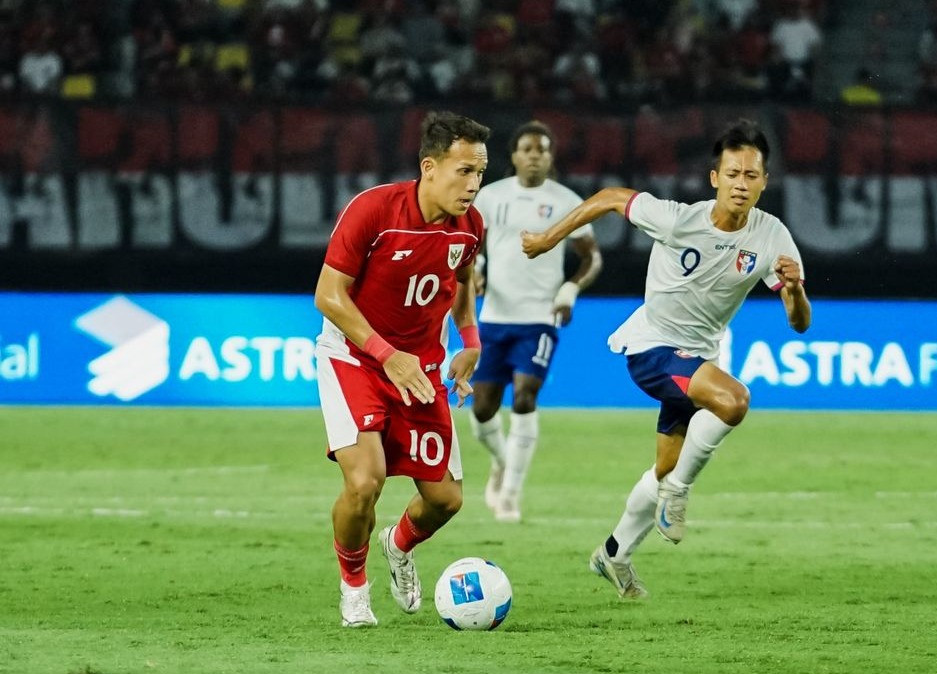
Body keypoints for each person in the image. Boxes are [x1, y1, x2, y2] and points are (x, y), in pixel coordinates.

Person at [522, 119, 812, 598]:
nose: (742, 184)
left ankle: (614, 553)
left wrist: (795, 290)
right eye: (733, 174)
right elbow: (613, 197)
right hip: (652, 347)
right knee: (734, 401)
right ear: (715, 177)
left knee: (663, 466)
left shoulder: (771, 235)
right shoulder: (679, 218)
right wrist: (550, 239)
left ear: (764, 181)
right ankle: (679, 493)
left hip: (696, 358)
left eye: (752, 176)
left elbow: (799, 323)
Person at [313, 111, 489, 627]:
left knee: (445, 500)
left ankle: (397, 543)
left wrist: (470, 340)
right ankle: (353, 589)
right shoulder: (374, 210)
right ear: (429, 167)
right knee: (366, 481)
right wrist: (387, 354)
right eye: (464, 171)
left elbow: (461, 282)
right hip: (357, 358)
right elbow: (329, 295)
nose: (473, 184)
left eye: (480, 173)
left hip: (421, 368)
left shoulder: (471, 226)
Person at [469, 121, 602, 522]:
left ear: (551, 156)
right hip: (493, 317)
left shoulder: (566, 202)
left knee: (525, 396)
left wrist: (569, 290)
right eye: (527, 148)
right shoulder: (489, 197)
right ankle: (502, 461)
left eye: (542, 149)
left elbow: (591, 257)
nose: (534, 155)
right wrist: (475, 268)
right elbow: (472, 246)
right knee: (481, 411)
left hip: (540, 318)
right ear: (513, 155)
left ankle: (510, 494)